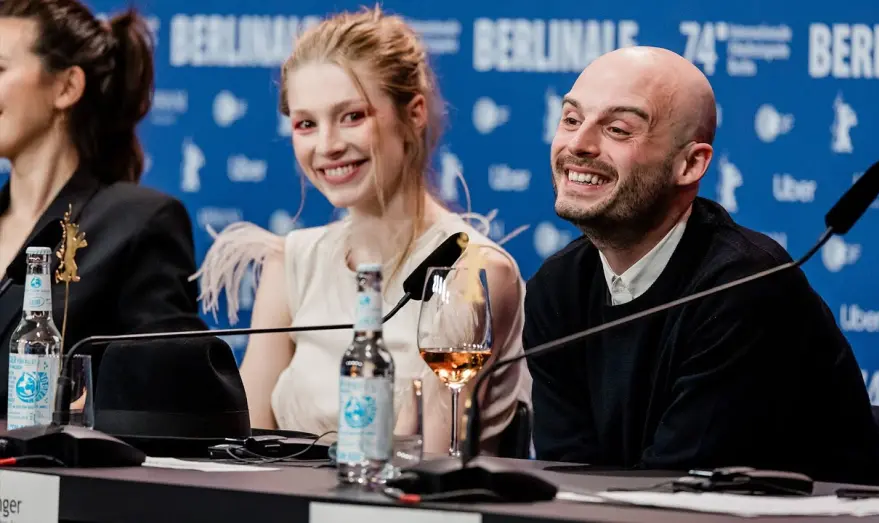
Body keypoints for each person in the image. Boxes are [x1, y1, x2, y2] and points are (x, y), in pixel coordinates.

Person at [524, 46, 879, 485]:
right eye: (570, 119)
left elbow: (675, 489)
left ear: (690, 164)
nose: (579, 145)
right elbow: (570, 478)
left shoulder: (745, 287)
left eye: (618, 129)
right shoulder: (556, 287)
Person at [193, 6, 531, 455]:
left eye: (352, 116)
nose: (328, 145)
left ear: (413, 113)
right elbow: (249, 447)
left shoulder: (470, 271)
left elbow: (434, 460)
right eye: (306, 124)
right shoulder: (290, 261)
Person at [0, 0, 207, 412]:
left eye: (0, 68)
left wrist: (96, 400)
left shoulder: (138, 222)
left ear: (66, 87)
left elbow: (169, 387)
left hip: (51, 474)